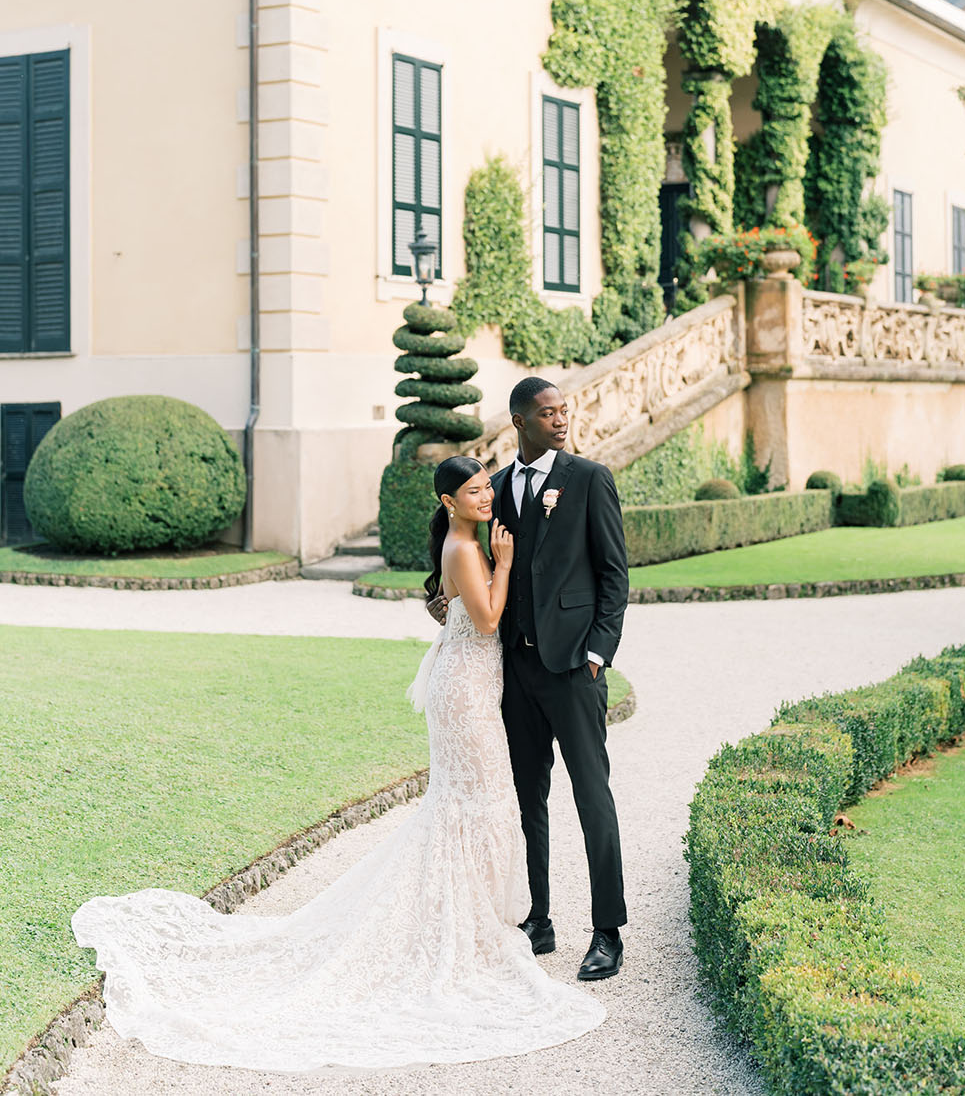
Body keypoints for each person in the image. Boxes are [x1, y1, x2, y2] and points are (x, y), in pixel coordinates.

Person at [70, 455, 605, 1073]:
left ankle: (474, 925)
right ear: (449, 503)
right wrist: (507, 563)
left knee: (475, 805)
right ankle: (465, 933)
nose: (486, 497)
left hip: (475, 684)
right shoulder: (465, 548)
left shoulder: (466, 539)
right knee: (475, 805)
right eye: (473, 491)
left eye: (487, 487)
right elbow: (486, 621)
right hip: (465, 689)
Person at [428, 379, 630, 982]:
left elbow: (614, 576)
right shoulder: (496, 490)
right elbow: (463, 552)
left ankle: (607, 931)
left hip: (574, 669)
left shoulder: (591, 479)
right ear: (519, 420)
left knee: (593, 797)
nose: (561, 420)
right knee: (527, 801)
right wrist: (439, 600)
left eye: (564, 410)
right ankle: (538, 918)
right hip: (513, 675)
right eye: (548, 413)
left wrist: (598, 653)